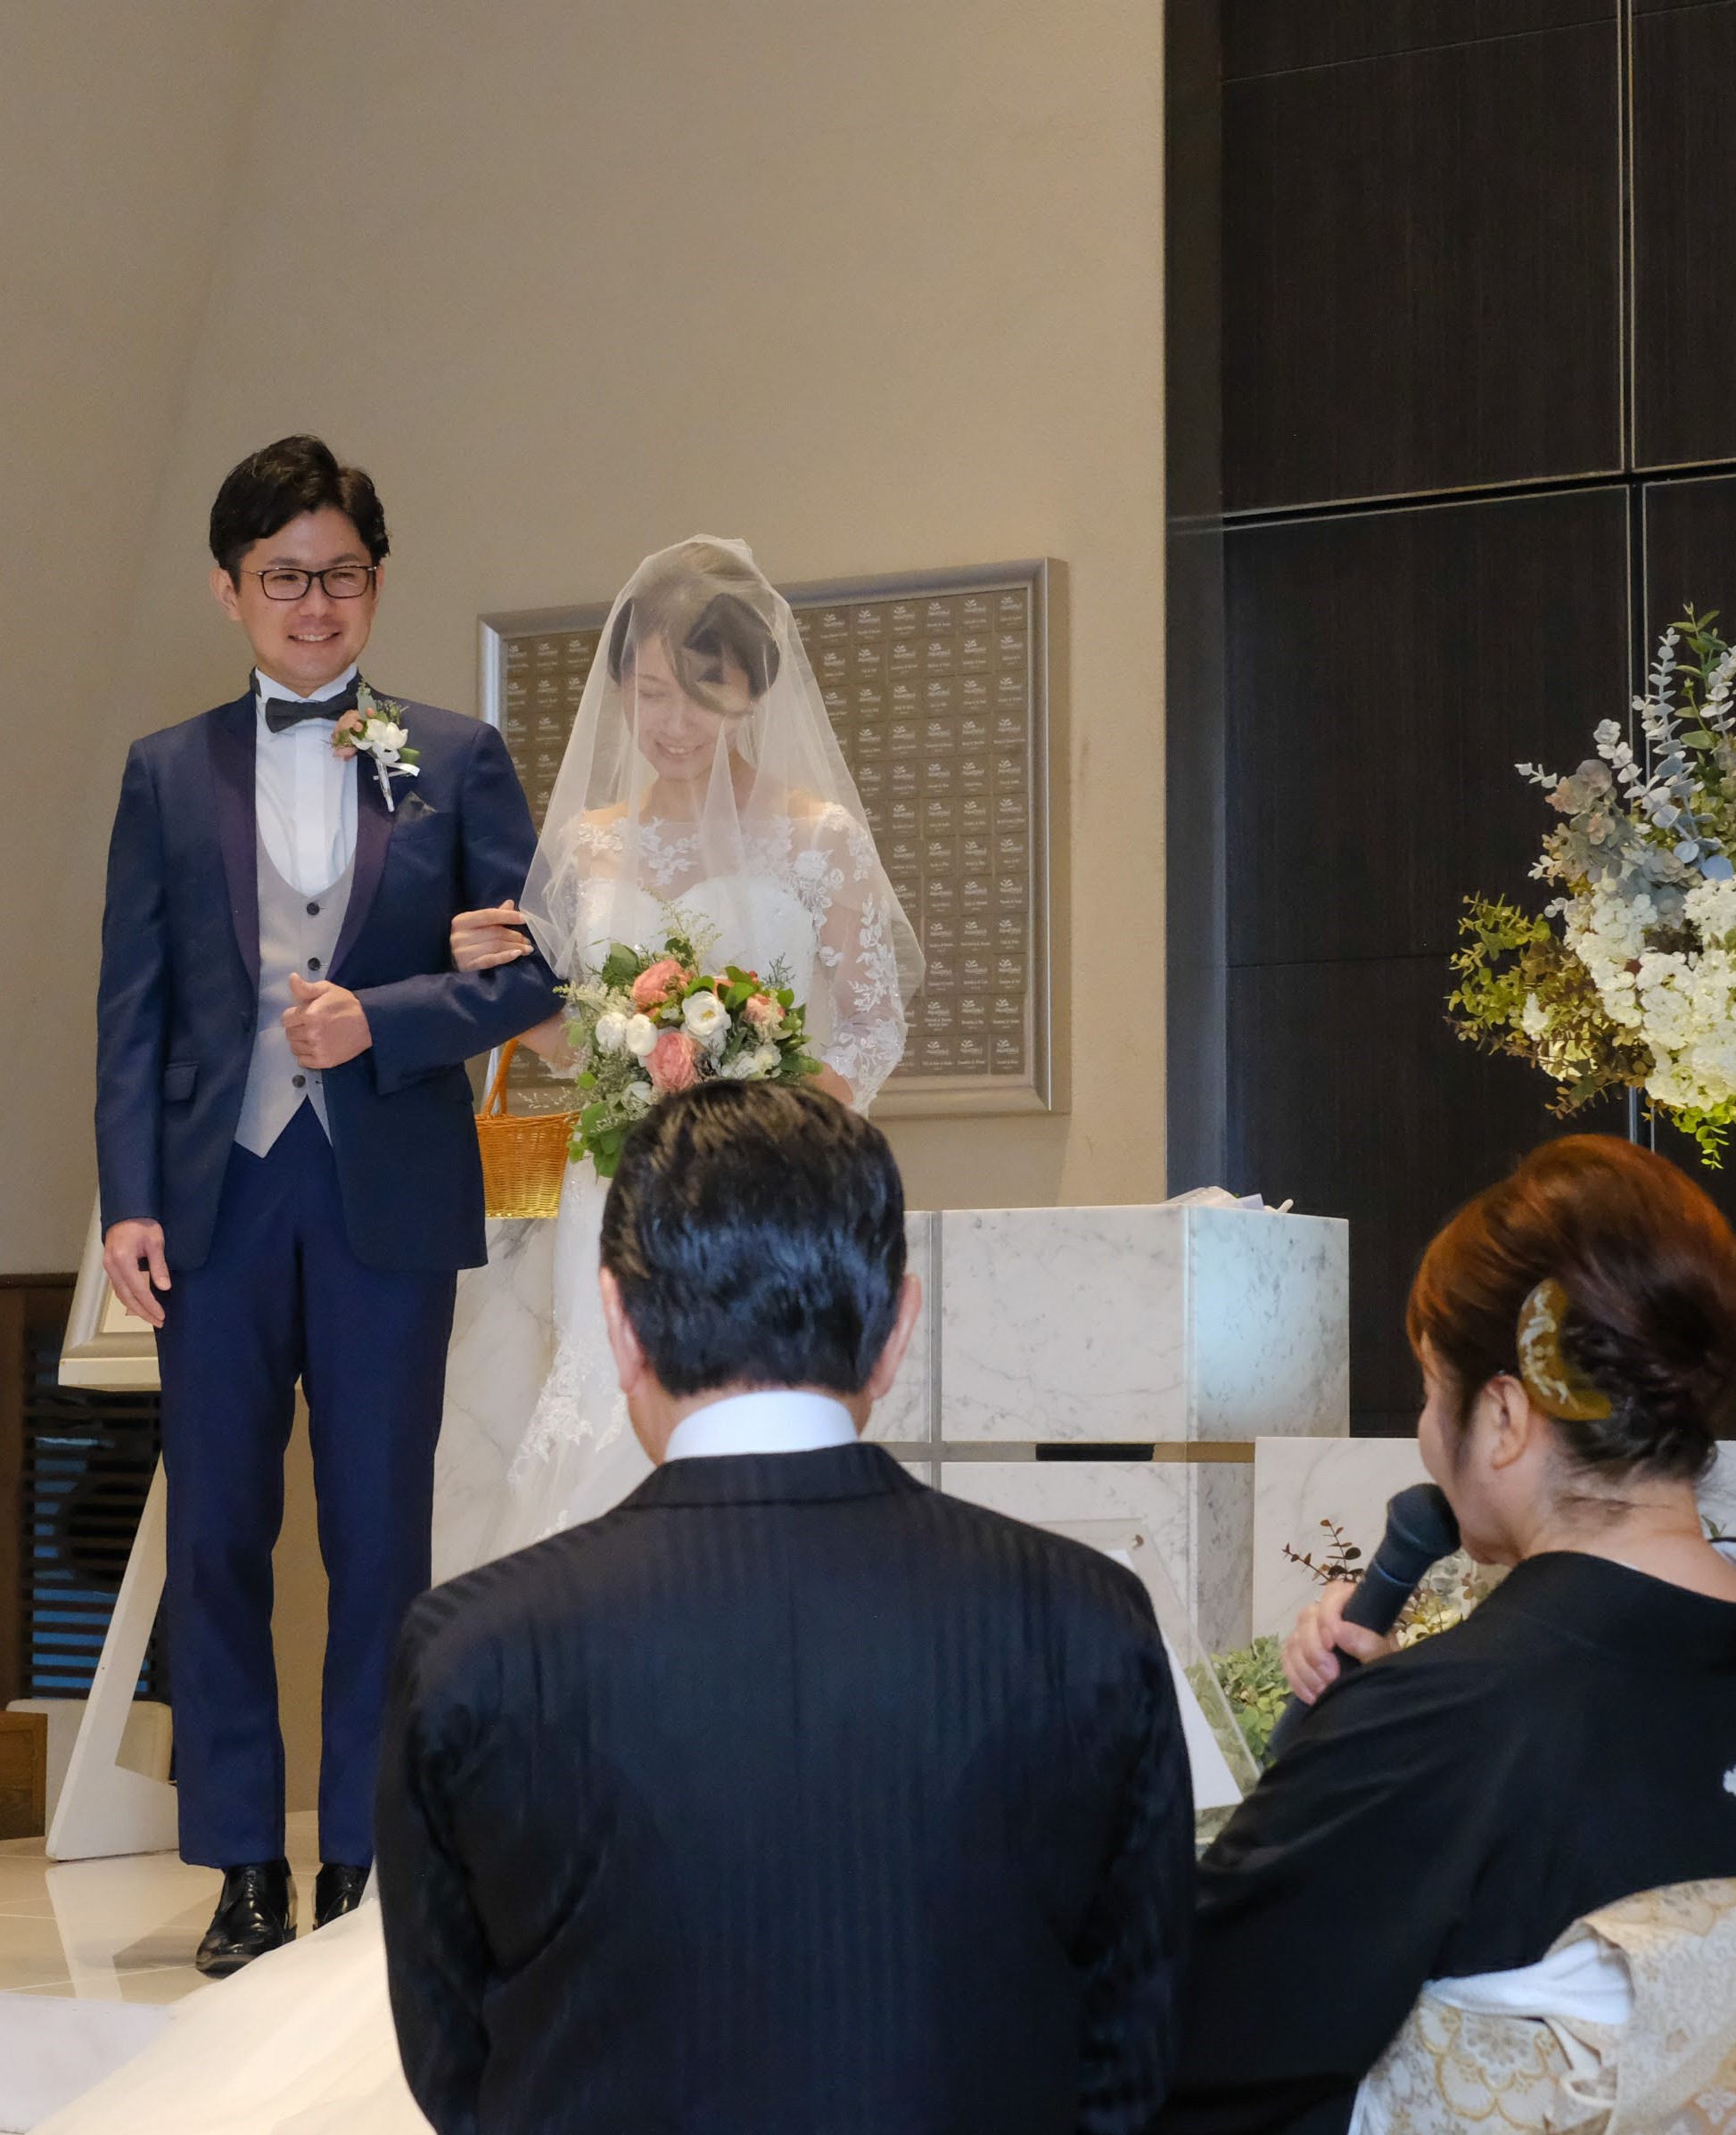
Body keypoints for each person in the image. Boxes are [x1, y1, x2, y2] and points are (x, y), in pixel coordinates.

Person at [374, 1081, 1196, 2132]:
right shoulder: (1084, 1622)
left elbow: (456, 2063)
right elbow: (1133, 2042)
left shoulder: (474, 1651)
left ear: (618, 1324)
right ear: (897, 1328)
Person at [1153, 1136, 1736, 2135]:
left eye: (1429, 1389)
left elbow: (1190, 2043)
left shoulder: (1453, 1716)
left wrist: (1369, 1739)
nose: (1426, 1432)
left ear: (1502, 1415)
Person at [93, 435, 558, 1974]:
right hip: (213, 1199)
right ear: (229, 589)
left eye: (340, 573)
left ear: (376, 581)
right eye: (283, 574)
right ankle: (242, 1863)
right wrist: (127, 1199)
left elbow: (535, 971)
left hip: (385, 1197)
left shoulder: (454, 754)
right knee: (219, 1535)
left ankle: (362, 1856)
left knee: (378, 1535)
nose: (314, 601)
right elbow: (134, 1005)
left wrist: (391, 1018)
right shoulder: (165, 770)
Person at [431, 534, 922, 1569]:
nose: (673, 723)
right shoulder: (587, 845)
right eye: (651, 693)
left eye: (703, 695)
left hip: (764, 1190)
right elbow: (568, 1038)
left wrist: (778, 1132)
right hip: (609, 1187)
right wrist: (487, 979)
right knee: (601, 1415)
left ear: (753, 692)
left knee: (737, 1420)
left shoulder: (817, 837)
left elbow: (873, 1026)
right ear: (618, 689)